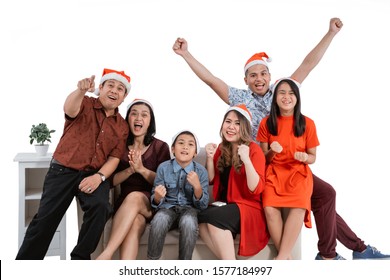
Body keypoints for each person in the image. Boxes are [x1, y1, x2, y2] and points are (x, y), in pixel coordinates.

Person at [173, 18, 390, 260]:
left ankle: (342, 251)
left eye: (263, 73)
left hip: (289, 163)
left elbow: (307, 65)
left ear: (270, 76)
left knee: (324, 194)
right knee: (320, 196)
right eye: (253, 75)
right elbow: (211, 80)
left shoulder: (281, 90)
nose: (259, 79)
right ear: (246, 80)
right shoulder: (238, 97)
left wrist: (330, 33)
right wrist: (186, 55)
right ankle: (344, 251)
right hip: (262, 165)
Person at [16, 68, 131, 260]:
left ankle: (79, 259)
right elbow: (69, 109)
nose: (114, 90)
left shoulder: (122, 126)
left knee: (101, 207)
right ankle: (25, 267)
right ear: (100, 88)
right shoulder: (84, 102)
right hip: (63, 170)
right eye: (110, 85)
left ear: (124, 97)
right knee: (45, 221)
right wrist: (80, 90)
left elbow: (114, 158)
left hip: (94, 174)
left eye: (120, 88)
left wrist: (99, 177)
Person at [96, 99, 171, 260]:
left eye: (144, 115)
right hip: (125, 206)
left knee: (135, 196)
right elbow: (109, 182)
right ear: (127, 118)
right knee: (135, 223)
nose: (138, 118)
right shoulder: (119, 146)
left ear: (150, 122)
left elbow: (165, 183)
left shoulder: (160, 147)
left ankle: (106, 255)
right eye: (134, 114)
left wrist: (141, 169)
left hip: (152, 203)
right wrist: (130, 170)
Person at [257, 78, 319, 260]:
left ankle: (281, 257)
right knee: (269, 208)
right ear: (275, 97)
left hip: (298, 174)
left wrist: (305, 157)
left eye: (291, 93)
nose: (286, 97)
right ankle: (287, 259)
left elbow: (313, 157)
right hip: (274, 173)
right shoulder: (266, 123)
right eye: (282, 93)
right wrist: (272, 153)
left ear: (297, 98)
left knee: (299, 206)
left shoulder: (308, 123)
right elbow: (264, 159)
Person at [198, 104, 268, 260]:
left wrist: (247, 161)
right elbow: (210, 180)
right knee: (202, 222)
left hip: (248, 208)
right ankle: (230, 265)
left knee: (213, 218)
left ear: (244, 129)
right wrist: (210, 157)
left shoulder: (254, 150)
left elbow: (255, 189)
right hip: (226, 207)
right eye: (228, 121)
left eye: (237, 124)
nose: (231, 127)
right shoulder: (222, 148)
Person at [147, 130, 209, 260]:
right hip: (167, 208)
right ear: (173, 149)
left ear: (195, 152)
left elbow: (202, 205)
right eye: (181, 143)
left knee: (188, 222)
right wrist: (158, 197)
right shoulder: (163, 168)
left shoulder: (201, 171)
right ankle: (152, 261)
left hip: (190, 210)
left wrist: (197, 187)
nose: (185, 147)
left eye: (190, 144)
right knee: (159, 220)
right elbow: (155, 201)